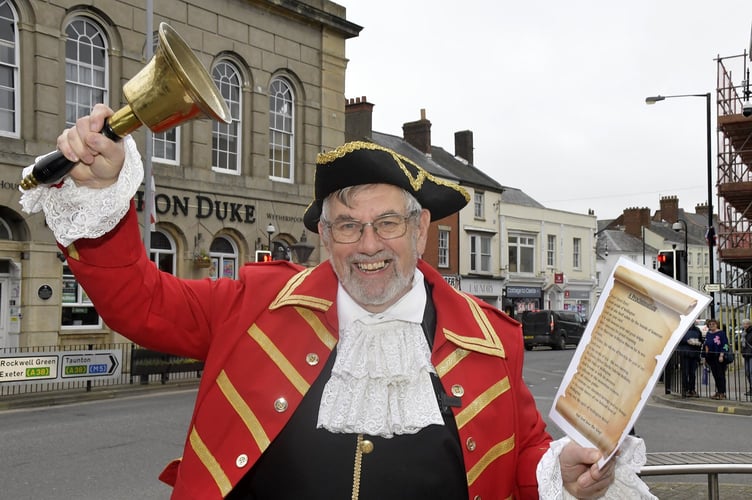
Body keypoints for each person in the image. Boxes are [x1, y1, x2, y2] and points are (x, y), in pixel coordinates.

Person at [20, 104, 657, 499]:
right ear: (324, 238)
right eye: (347, 226)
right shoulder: (254, 301)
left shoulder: (492, 340)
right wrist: (105, 199)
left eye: (387, 223)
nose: (368, 245)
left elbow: (520, 461)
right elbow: (140, 303)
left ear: (420, 232)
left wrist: (565, 476)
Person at [702, 318, 730, 400]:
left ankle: (722, 392)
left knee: (720, 375)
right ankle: (718, 391)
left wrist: (722, 354)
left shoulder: (721, 333)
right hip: (711, 357)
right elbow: (705, 345)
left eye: (713, 324)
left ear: (716, 324)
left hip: (719, 356)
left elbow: (725, 344)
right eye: (710, 324)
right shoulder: (708, 334)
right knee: (715, 375)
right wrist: (704, 357)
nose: (711, 326)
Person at [677, 323, 703, 397]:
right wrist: (687, 341)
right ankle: (685, 389)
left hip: (694, 353)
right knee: (685, 372)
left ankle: (692, 389)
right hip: (684, 353)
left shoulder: (697, 330)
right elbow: (678, 339)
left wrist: (698, 344)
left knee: (692, 373)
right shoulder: (682, 328)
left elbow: (700, 340)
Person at [742, 318, 752, 396]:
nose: (745, 325)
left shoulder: (750, 332)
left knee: (751, 372)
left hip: (751, 354)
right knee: (747, 372)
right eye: (744, 324)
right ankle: (751, 388)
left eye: (746, 324)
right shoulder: (744, 333)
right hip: (746, 354)